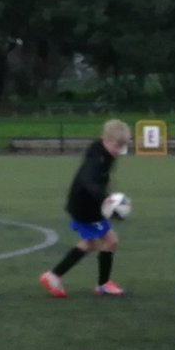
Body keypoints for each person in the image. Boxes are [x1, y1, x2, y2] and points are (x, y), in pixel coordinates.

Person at [39, 120, 132, 298]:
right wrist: (107, 201)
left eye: (123, 146)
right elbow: (88, 181)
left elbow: (100, 180)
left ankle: (53, 276)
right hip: (85, 207)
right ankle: (102, 284)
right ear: (105, 139)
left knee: (91, 244)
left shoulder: (103, 152)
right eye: (117, 145)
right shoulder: (96, 160)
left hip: (86, 204)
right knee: (110, 241)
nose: (119, 150)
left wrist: (107, 200)